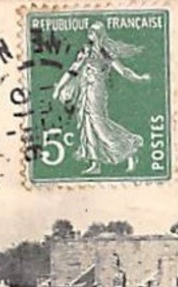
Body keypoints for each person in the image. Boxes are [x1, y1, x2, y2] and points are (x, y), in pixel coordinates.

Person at [52, 22, 149, 175]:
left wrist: (138, 78)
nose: (89, 36)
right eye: (89, 33)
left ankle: (129, 148)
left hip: (97, 91)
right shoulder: (86, 51)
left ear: (99, 35)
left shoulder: (105, 52)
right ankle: (95, 163)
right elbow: (73, 70)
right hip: (86, 89)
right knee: (87, 125)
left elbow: (122, 70)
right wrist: (59, 88)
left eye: (92, 33)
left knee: (99, 125)